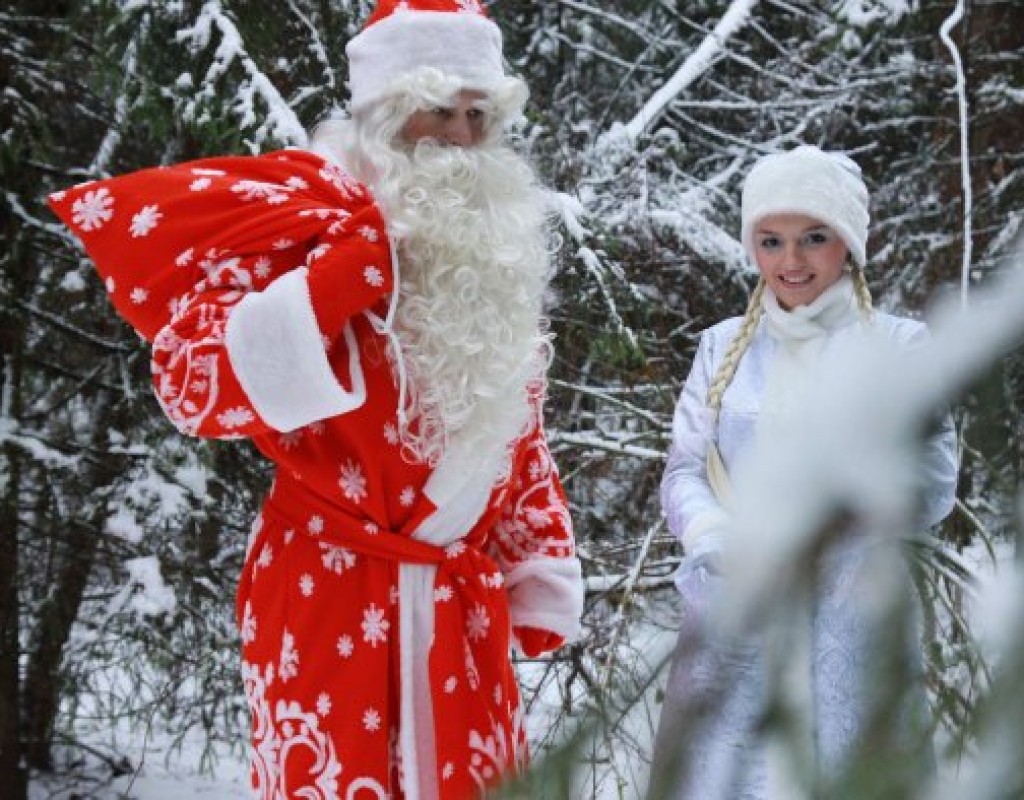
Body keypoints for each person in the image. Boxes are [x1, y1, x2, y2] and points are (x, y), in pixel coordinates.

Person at [46, 1, 583, 798]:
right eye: (440, 109)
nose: (464, 136)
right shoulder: (303, 226)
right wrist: (325, 289)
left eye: (478, 114)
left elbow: (518, 432)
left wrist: (537, 560)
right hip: (326, 594)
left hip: (459, 610)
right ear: (386, 113)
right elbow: (194, 389)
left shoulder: (493, 259)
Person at [650, 145, 959, 797]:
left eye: (813, 238)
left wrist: (832, 529)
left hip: (852, 610)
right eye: (772, 240)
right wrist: (714, 538)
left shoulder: (899, 347)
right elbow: (683, 472)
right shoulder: (720, 347)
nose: (790, 261)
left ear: (848, 242)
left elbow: (931, 481)